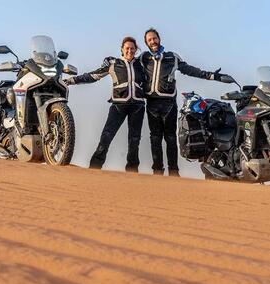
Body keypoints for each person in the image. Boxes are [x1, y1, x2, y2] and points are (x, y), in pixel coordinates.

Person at [140, 28, 231, 176]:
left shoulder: (172, 57)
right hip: (152, 104)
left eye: (154, 38)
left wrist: (211, 76)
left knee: (170, 137)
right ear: (146, 43)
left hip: (169, 104)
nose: (153, 41)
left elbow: (189, 69)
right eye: (149, 40)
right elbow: (129, 65)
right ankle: (157, 171)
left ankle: (174, 171)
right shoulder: (143, 58)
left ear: (159, 39)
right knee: (155, 137)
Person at [65, 37, 145, 172]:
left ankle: (132, 171)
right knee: (106, 136)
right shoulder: (113, 63)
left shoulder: (141, 64)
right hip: (118, 106)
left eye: (132, 48)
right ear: (122, 49)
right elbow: (93, 76)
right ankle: (94, 168)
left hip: (137, 107)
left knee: (134, 140)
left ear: (136, 50)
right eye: (127, 48)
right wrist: (71, 80)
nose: (130, 51)